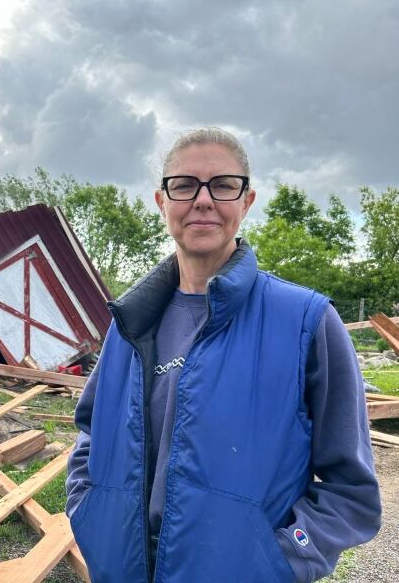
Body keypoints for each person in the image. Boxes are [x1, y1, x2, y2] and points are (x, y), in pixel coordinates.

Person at [65, 127, 381, 583]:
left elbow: (350, 489)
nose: (203, 200)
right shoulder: (129, 323)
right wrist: (87, 511)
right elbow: (90, 433)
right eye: (185, 185)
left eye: (224, 185)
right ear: (162, 201)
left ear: (246, 201)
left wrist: (277, 561)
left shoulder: (305, 322)